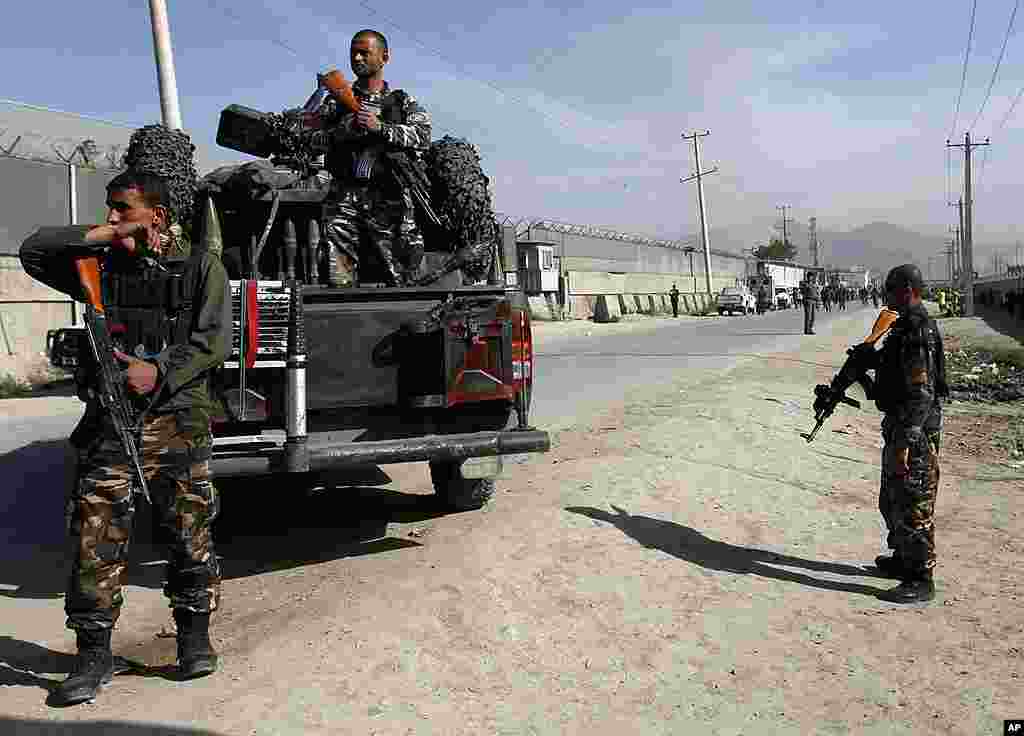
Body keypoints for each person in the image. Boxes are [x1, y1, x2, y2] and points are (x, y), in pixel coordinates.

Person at [19, 169, 232, 704]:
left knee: (189, 532)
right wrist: (111, 234)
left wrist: (158, 370)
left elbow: (213, 341)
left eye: (122, 208)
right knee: (94, 538)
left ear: (157, 214)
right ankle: (92, 656)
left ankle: (194, 638)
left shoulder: (200, 267)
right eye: (109, 208)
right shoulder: (100, 265)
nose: (111, 216)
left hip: (178, 420)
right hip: (110, 423)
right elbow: (34, 250)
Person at [309, 29, 432, 287]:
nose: (357, 58)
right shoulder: (335, 102)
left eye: (365, 52)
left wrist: (381, 128)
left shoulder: (400, 102)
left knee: (404, 280)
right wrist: (342, 131)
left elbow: (423, 137)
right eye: (353, 53)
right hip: (343, 200)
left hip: (390, 200)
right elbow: (308, 138)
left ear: (384, 57)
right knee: (338, 279)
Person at [866, 265, 946, 603]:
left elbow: (923, 394)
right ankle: (903, 558)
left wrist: (907, 442)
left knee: (914, 503)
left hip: (914, 433)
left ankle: (921, 578)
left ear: (908, 290)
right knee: (892, 499)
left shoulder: (917, 331)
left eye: (890, 289)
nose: (885, 295)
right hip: (899, 426)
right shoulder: (902, 327)